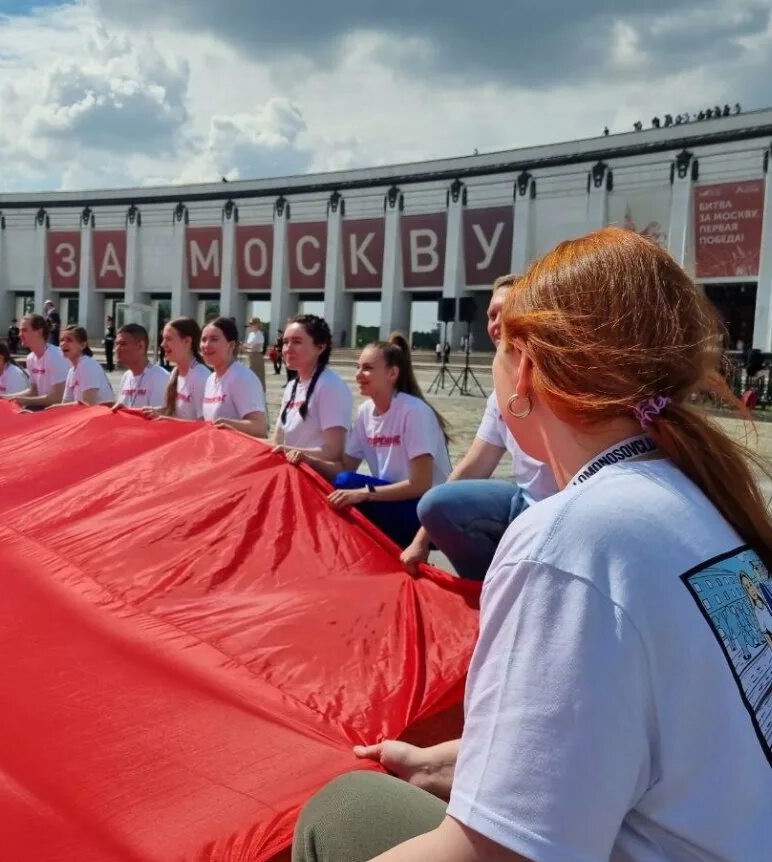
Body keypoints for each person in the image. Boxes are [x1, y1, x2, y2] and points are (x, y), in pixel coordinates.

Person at [292, 227, 772, 862]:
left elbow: (494, 855)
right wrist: (453, 762)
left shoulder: (573, 542)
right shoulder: (702, 499)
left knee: (340, 814)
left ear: (526, 373)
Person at [400, 275, 558, 580]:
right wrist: (421, 540)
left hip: (564, 515)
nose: (496, 322)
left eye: (505, 311)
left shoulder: (561, 385)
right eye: (491, 315)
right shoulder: (499, 397)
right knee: (436, 505)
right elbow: (473, 467)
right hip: (523, 503)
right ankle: (483, 589)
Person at [302, 333, 451, 549]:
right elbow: (345, 466)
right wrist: (307, 461)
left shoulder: (413, 411)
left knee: (346, 486)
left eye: (367, 368)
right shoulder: (365, 412)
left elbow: (420, 484)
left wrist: (365, 493)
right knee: (337, 486)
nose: (359, 375)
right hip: (392, 500)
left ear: (392, 373)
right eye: (358, 367)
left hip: (427, 512)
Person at [271, 315, 352, 464]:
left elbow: (334, 452)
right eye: (285, 342)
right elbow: (277, 443)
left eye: (296, 342)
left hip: (314, 480)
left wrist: (295, 453)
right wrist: (233, 432)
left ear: (320, 347)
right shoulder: (291, 387)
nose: (288, 349)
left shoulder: (329, 385)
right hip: (289, 474)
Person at [200, 317, 267, 438]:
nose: (206, 345)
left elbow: (260, 428)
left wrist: (228, 425)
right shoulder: (210, 379)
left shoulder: (241, 377)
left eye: (214, 339)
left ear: (231, 345)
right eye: (203, 340)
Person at [141, 317, 210, 421]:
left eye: (168, 339)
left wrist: (167, 419)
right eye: (163, 339)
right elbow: (170, 411)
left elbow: (204, 425)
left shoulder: (201, 376)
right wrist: (130, 410)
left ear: (187, 341)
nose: (162, 344)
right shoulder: (175, 372)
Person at [0, 314, 71, 409]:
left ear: (39, 332)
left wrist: (23, 401)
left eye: (24, 330)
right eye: (20, 330)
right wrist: (5, 398)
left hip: (60, 412)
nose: (20, 334)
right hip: (44, 408)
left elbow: (58, 398)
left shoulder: (55, 356)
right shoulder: (30, 358)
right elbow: (34, 392)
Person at [113, 323, 169, 410]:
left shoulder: (160, 377)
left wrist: (128, 411)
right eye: (116, 344)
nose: (117, 349)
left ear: (140, 346)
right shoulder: (126, 376)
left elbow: (157, 417)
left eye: (123, 344)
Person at [54, 326, 114, 406]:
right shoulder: (72, 371)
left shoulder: (88, 365)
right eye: (61, 340)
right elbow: (66, 403)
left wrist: (55, 407)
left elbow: (88, 404)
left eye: (69, 340)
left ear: (82, 345)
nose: (63, 344)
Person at [244, 317, 267, 389]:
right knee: (250, 374)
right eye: (250, 324)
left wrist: (247, 347)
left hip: (257, 355)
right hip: (250, 355)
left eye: (252, 324)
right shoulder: (251, 334)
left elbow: (257, 347)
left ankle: (261, 392)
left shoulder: (259, 334)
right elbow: (249, 345)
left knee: (258, 375)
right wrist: (245, 346)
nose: (250, 325)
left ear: (257, 324)